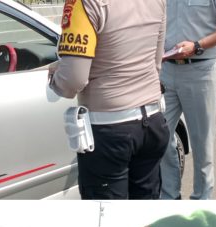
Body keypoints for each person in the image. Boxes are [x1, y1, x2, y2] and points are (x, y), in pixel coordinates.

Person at [48, 0, 168, 199]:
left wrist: (54, 78)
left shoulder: (85, 3)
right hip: (152, 118)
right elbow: (156, 62)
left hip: (110, 127)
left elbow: (73, 79)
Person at [159, 1, 216, 200]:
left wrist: (197, 45)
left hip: (201, 70)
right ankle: (169, 196)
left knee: (202, 146)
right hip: (166, 69)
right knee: (159, 137)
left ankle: (200, 201)